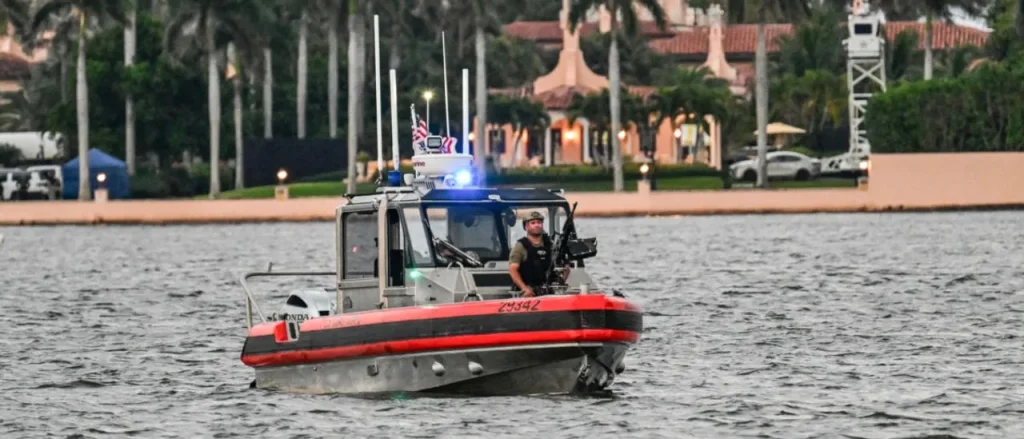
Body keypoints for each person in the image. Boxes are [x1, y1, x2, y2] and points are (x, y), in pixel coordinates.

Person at [508, 211, 569, 297]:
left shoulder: (551, 245)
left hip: (549, 292)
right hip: (528, 293)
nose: (537, 225)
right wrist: (524, 288)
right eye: (533, 223)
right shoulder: (520, 246)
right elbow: (513, 270)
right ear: (526, 226)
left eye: (539, 222)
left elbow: (566, 268)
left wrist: (559, 285)